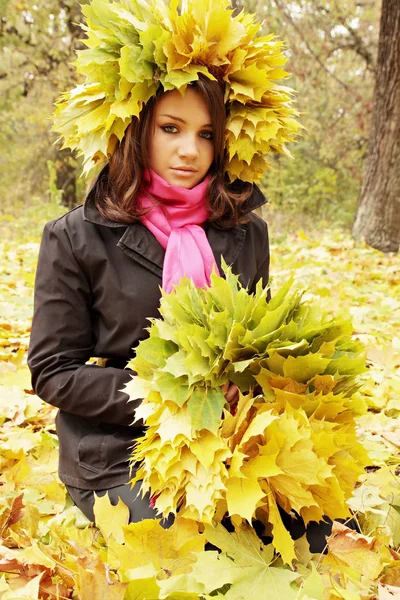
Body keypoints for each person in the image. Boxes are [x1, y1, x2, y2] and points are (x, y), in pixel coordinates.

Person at [27, 76, 270, 524]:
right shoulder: (78, 235)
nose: (190, 151)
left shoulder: (246, 230)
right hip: (117, 448)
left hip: (229, 440)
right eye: (171, 128)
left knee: (303, 533)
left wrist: (244, 386)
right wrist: (170, 396)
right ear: (138, 130)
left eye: (207, 134)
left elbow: (258, 348)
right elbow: (53, 371)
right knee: (192, 538)